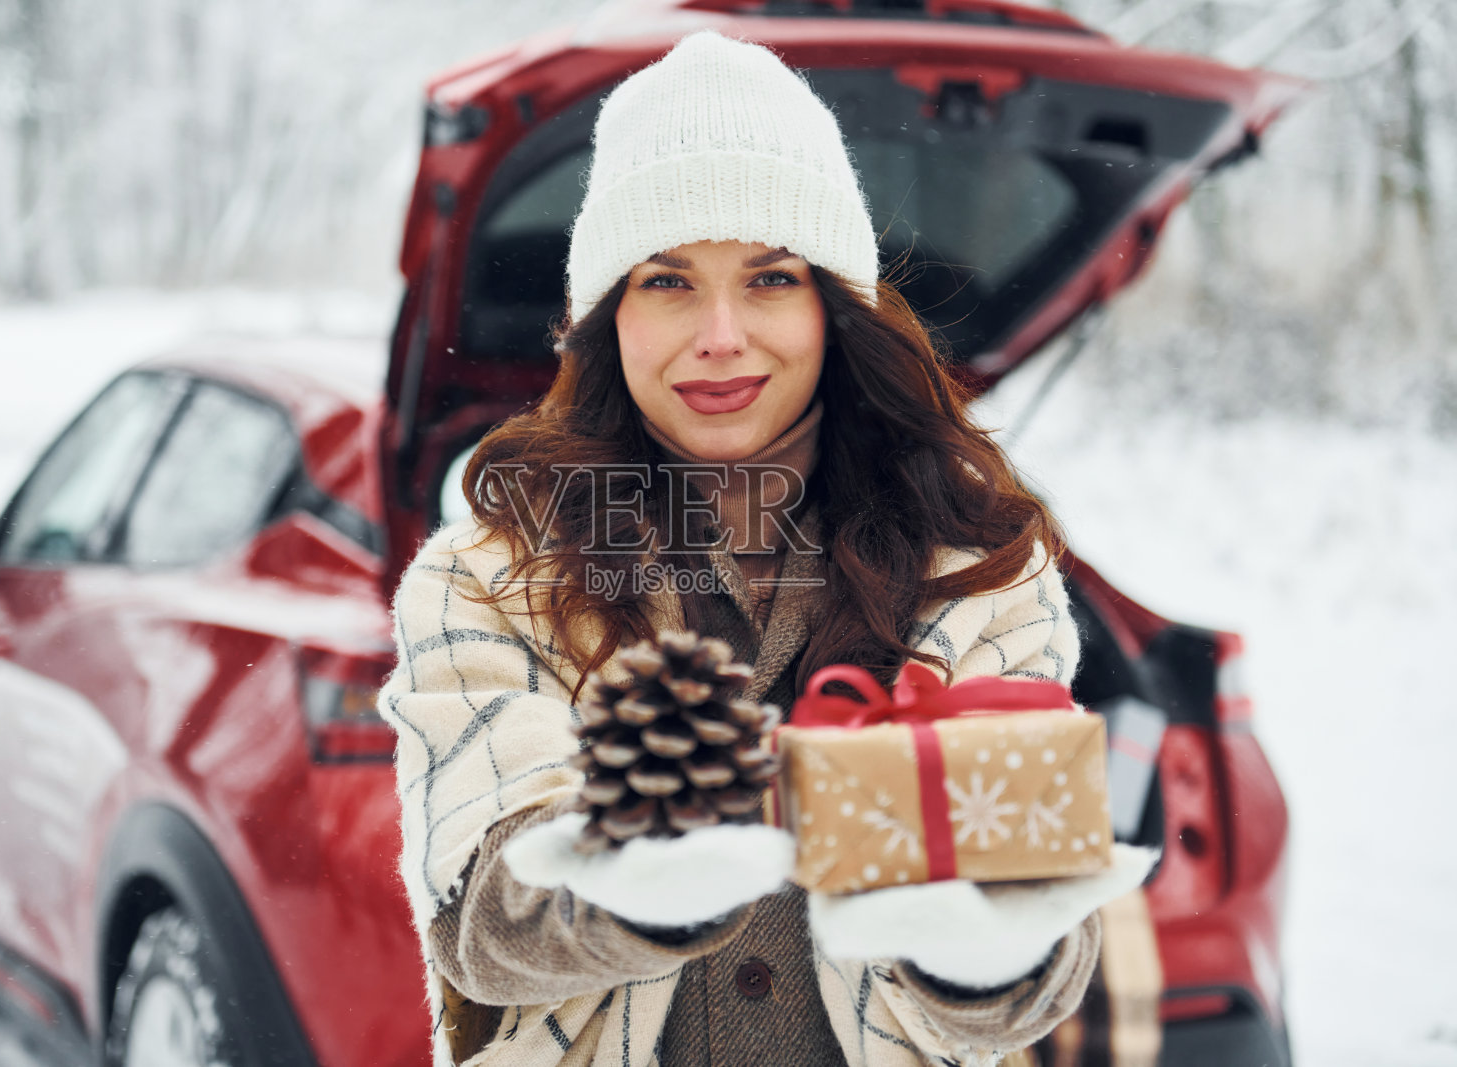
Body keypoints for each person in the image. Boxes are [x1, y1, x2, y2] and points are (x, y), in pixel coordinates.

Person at [378, 31, 1151, 1067]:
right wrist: (627, 886)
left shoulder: (975, 568)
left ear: (835, 303)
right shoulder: (489, 575)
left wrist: (982, 955)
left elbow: (1031, 968)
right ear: (607, 315)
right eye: (666, 281)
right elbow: (485, 928)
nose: (722, 334)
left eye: (771, 277)